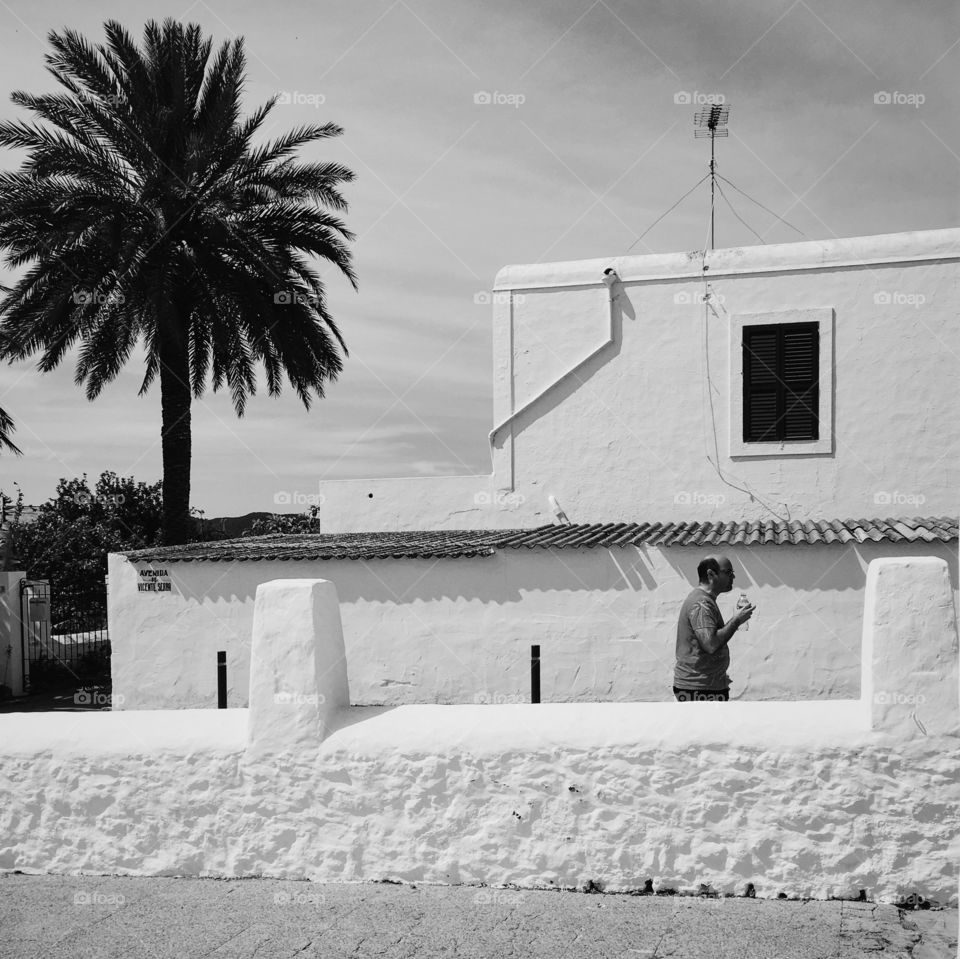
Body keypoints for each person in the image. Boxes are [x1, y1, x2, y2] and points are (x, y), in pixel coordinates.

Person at [673, 555, 754, 702]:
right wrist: (737, 620)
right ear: (711, 574)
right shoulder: (701, 603)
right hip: (698, 688)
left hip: (705, 685)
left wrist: (718, 673)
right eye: (728, 572)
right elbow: (711, 644)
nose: (733, 576)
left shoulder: (705, 600)